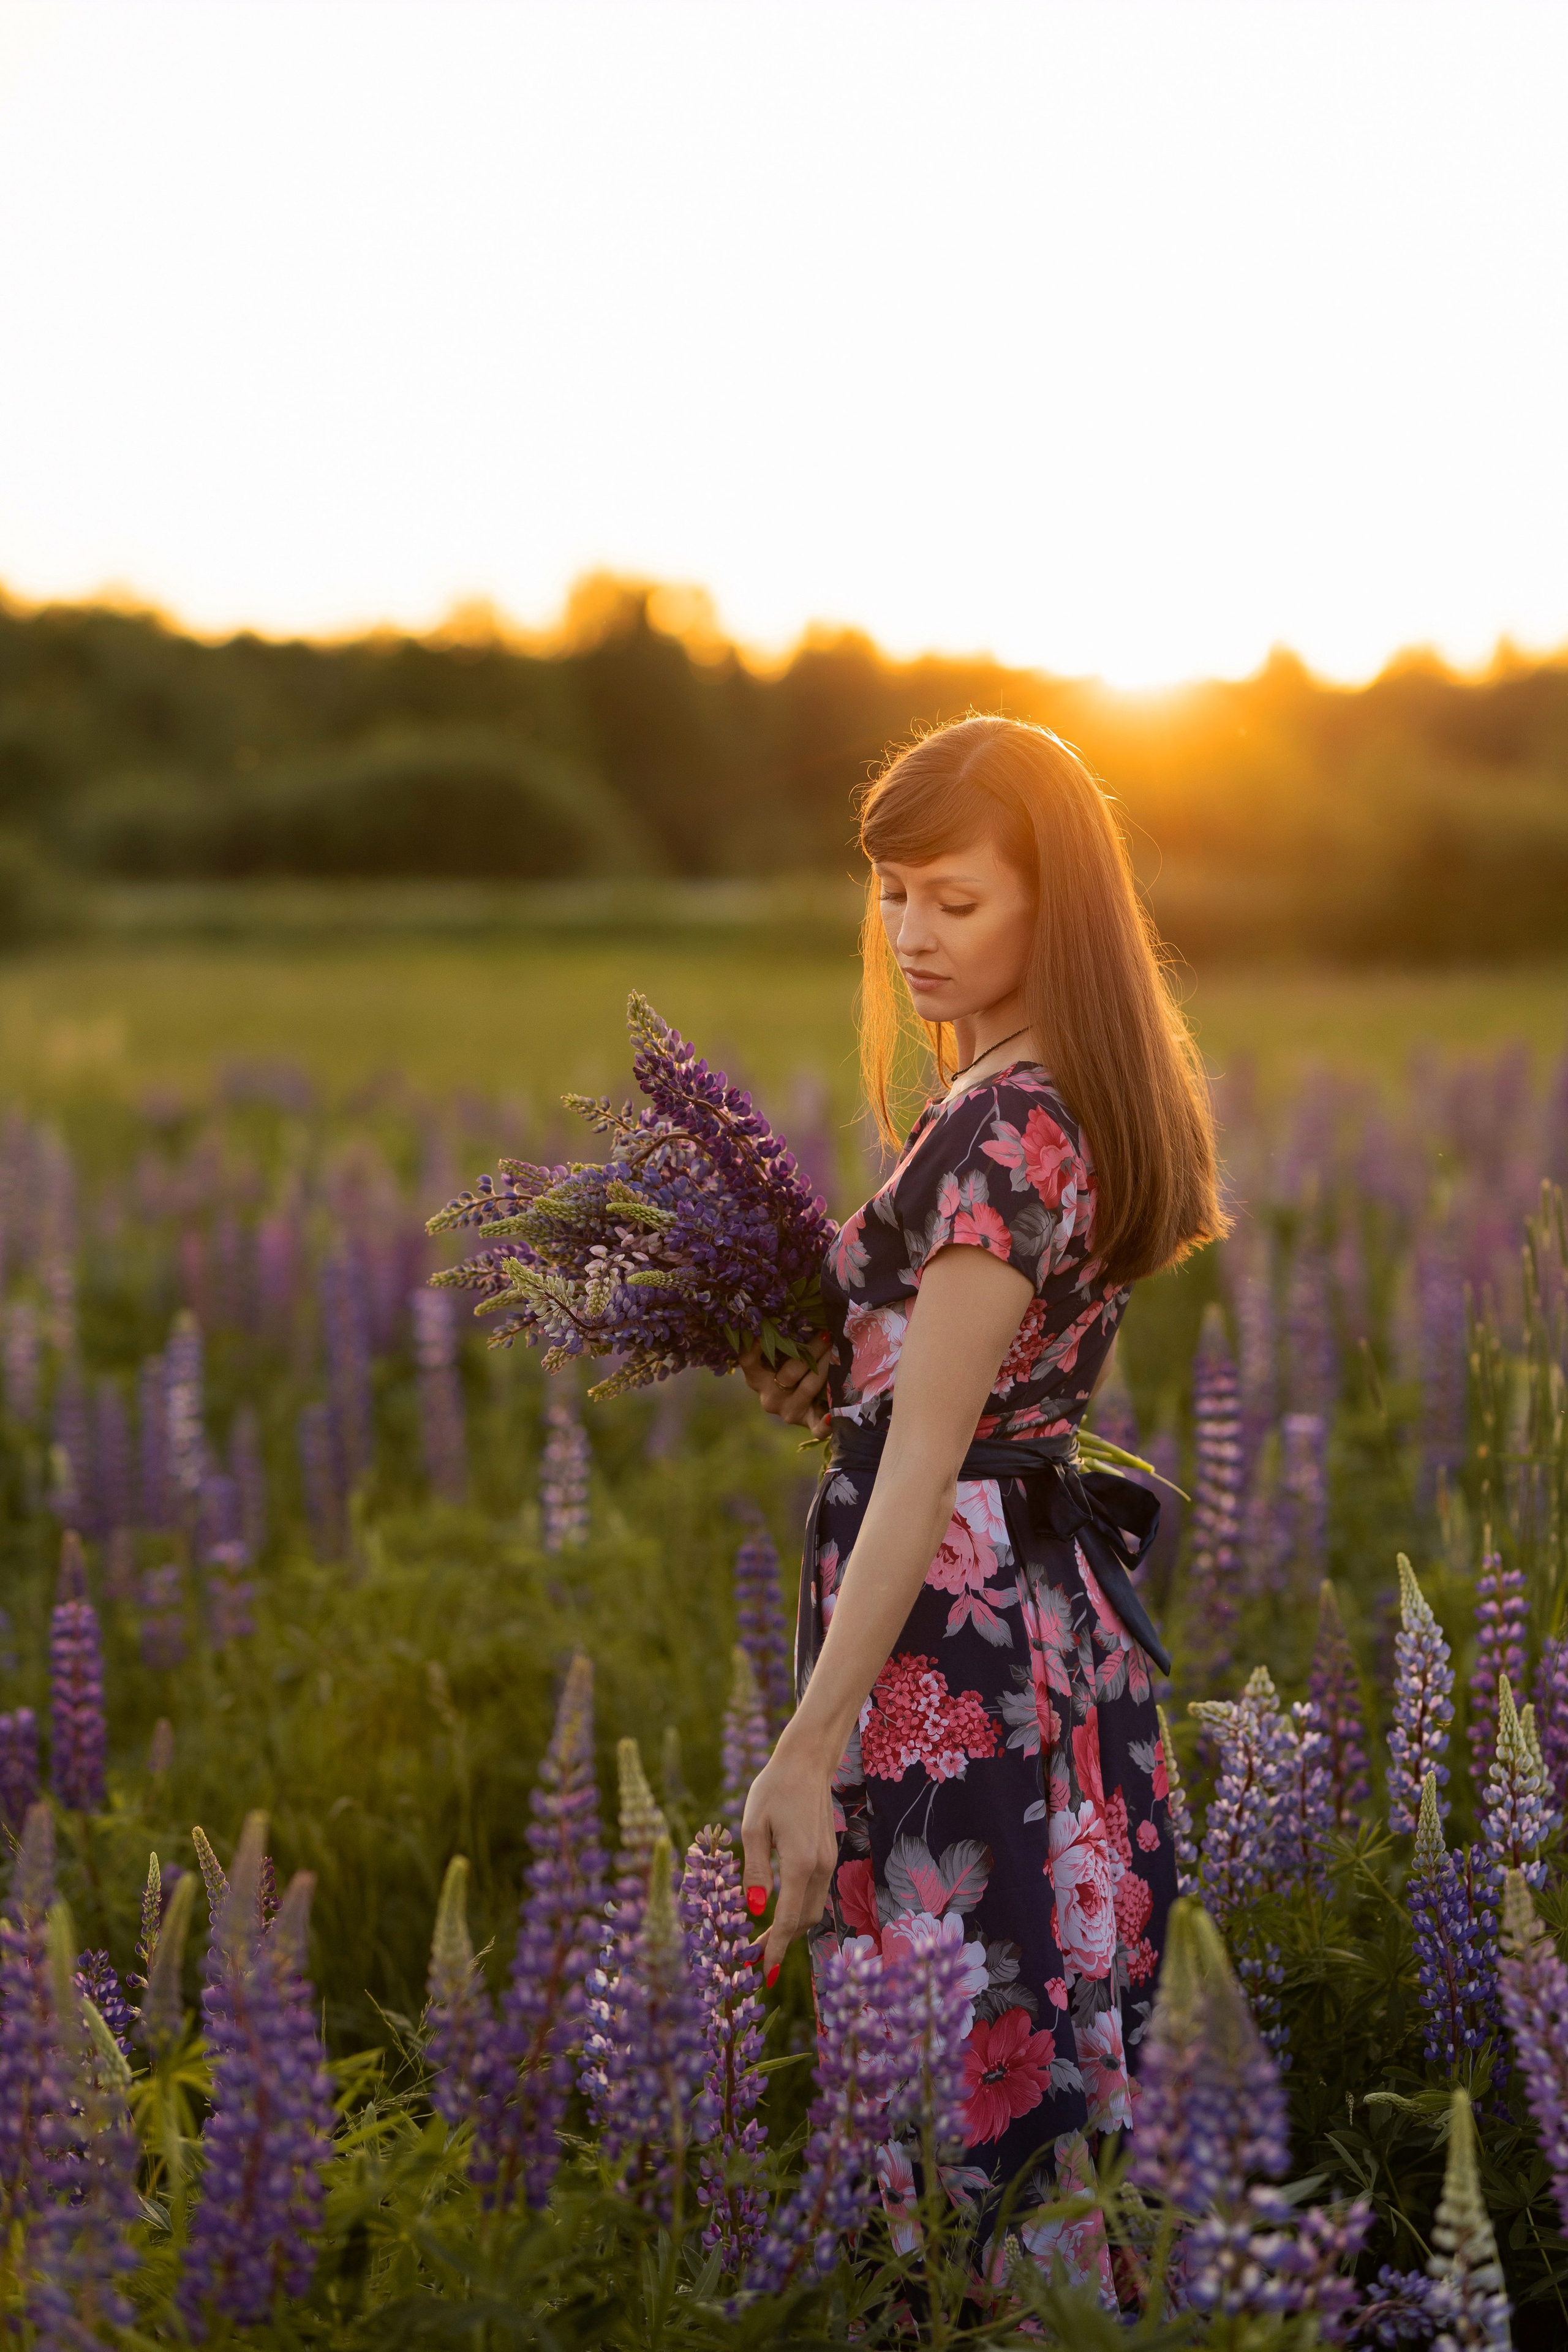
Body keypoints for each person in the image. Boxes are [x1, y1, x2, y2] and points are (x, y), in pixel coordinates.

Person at [737, 715, 1226, 2245]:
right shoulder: (1047, 1088)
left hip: (957, 1642)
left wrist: (805, 1748)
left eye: (955, 898)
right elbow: (941, 1403)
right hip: (1027, 1610)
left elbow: (927, 1464)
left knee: (967, 2069)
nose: (912, 932)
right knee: (1035, 2029)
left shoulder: (1007, 1126)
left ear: (1047, 905)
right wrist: (831, 1384)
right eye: (892, 895)